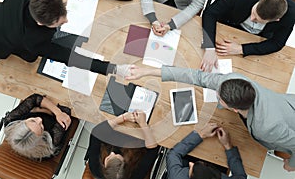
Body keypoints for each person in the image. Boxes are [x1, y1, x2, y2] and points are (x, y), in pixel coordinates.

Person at [126, 65, 295, 172]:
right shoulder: (234, 81)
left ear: (234, 109)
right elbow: (196, 77)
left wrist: (292, 164)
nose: (216, 95)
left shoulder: (267, 128)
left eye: (219, 98)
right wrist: (148, 71)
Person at [0, 0, 130, 77]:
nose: (66, 21)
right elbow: (68, 57)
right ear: (41, 24)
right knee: (30, 57)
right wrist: (112, 69)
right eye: (59, 23)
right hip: (0, 45)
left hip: (0, 13)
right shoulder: (31, 40)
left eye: (64, 14)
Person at [201, 0, 295, 72]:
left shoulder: (291, 15)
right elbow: (210, 13)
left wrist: (241, 49)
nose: (252, 19)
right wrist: (209, 47)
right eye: (254, 13)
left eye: (257, 20)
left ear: (276, 20)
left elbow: (277, 43)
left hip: (259, 36)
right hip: (231, 24)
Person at [165, 123, 247, 179]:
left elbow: (173, 154)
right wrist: (228, 145)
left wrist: (201, 135)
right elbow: (240, 176)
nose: (191, 163)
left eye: (192, 169)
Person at [87, 111, 159, 179]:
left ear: (105, 164)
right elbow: (153, 149)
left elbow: (96, 133)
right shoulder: (132, 178)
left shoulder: (96, 170)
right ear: (126, 162)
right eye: (117, 156)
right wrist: (143, 124)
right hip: (137, 140)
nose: (112, 153)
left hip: (116, 130)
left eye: (109, 158)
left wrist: (122, 118)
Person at [3, 93, 72, 160]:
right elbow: (66, 112)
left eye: (32, 121)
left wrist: (57, 112)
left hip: (51, 115)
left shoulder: (10, 122)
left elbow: (35, 98)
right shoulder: (53, 142)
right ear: (43, 136)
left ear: (21, 122)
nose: (39, 119)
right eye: (41, 127)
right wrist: (42, 109)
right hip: (50, 115)